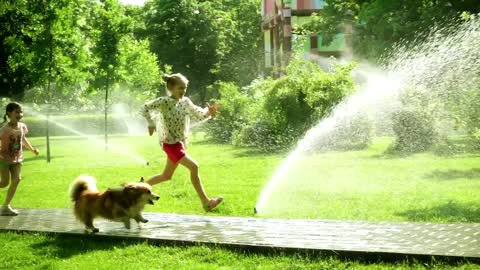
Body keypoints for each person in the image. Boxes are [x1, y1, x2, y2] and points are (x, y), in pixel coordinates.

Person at [141, 73, 222, 211]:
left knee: (166, 176)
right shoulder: (164, 102)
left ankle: (137, 189)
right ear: (171, 88)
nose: (183, 91)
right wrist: (150, 124)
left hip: (179, 143)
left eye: (184, 88)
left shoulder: (185, 102)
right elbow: (145, 108)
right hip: (170, 144)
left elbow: (199, 113)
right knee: (194, 167)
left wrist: (209, 111)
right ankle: (206, 202)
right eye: (180, 88)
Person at [0, 102, 39, 216]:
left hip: (17, 159)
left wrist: (32, 150)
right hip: (3, 160)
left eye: (21, 111)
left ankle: (6, 206)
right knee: (4, 183)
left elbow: (23, 140)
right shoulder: (4, 129)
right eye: (16, 112)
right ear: (9, 113)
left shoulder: (22, 126)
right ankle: (6, 207)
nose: (20, 114)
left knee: (17, 179)